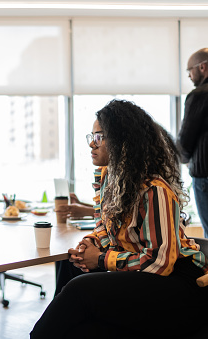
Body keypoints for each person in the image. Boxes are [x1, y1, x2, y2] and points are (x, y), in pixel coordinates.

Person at [31, 100, 208, 339]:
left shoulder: (154, 191)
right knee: (71, 268)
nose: (92, 144)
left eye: (99, 137)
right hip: (146, 279)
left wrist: (102, 259)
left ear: (123, 141)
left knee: (79, 289)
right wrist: (91, 244)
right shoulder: (110, 179)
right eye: (91, 136)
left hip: (179, 288)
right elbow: (105, 227)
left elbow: (160, 264)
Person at [178, 47, 208, 237]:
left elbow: (186, 137)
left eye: (190, 70)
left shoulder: (199, 95)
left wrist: (183, 157)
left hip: (205, 174)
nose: (189, 75)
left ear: (203, 67)